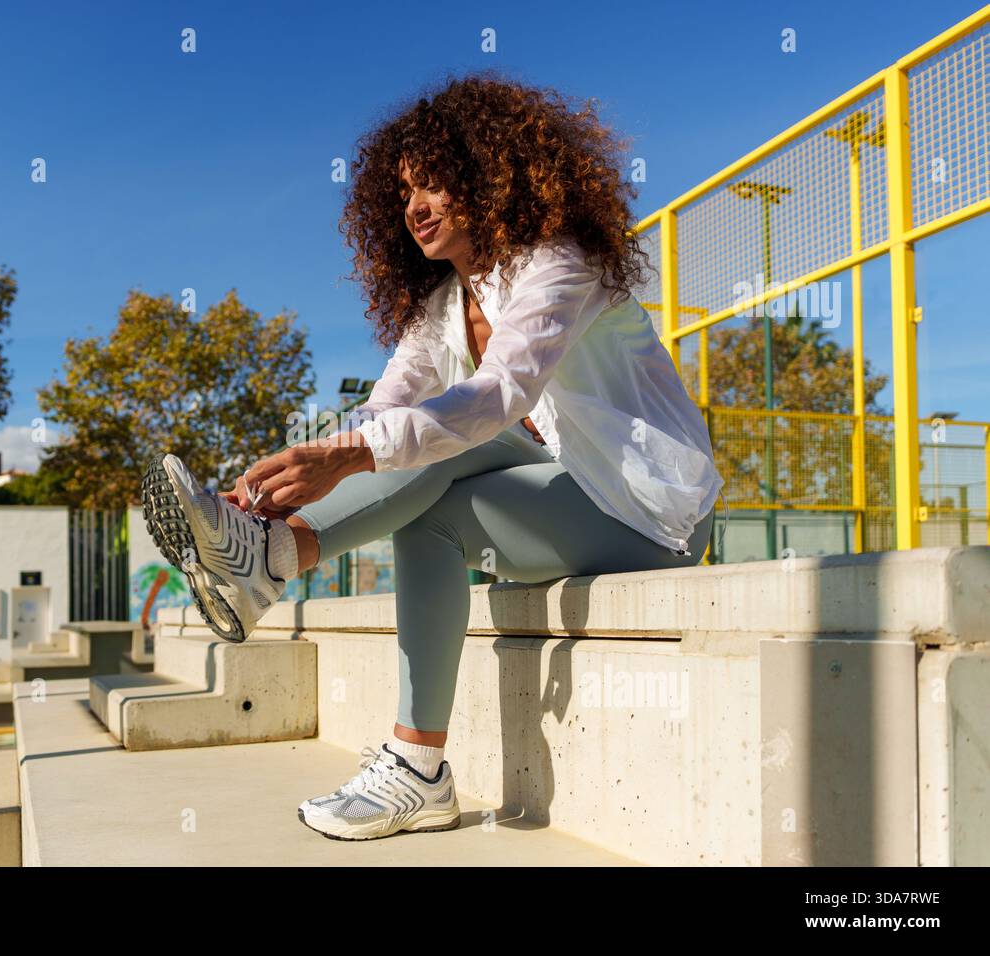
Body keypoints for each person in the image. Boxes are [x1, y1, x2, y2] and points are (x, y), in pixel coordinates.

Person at [142, 74, 726, 841]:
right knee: (420, 496)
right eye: (405, 191)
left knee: (436, 442)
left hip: (652, 514)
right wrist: (291, 478)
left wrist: (347, 453)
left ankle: (269, 563)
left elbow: (496, 397)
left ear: (490, 177)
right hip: (565, 501)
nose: (414, 206)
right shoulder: (441, 309)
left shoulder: (560, 264)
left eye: (435, 184)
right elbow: (383, 415)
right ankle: (408, 757)